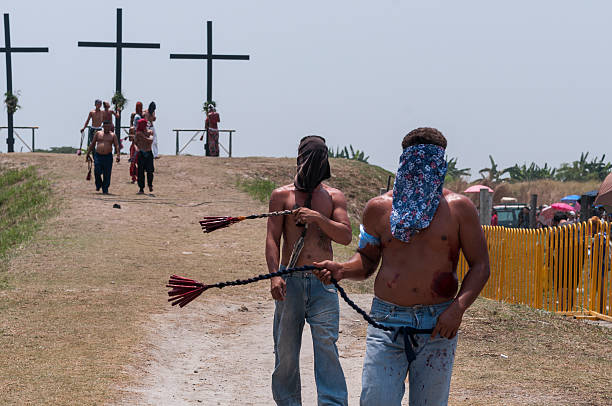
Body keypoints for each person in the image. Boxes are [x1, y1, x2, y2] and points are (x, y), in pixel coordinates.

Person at [314, 127, 490, 406]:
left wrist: (457, 310)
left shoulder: (459, 208)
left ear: (440, 164)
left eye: (429, 162)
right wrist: (342, 270)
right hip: (387, 321)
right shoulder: (379, 209)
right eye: (415, 161)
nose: (422, 169)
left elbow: (480, 266)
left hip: (438, 325)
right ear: (404, 162)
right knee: (375, 399)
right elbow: (367, 260)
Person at [266, 136, 351, 405]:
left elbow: (346, 236)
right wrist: (275, 276)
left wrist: (318, 218)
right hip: (290, 280)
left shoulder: (334, 197)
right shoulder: (282, 196)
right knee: (286, 352)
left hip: (323, 282)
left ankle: (332, 402)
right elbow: (272, 238)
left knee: (326, 347)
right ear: (299, 158)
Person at [85, 120, 120, 194]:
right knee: (97, 171)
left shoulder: (113, 135)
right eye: (105, 126)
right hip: (98, 155)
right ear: (103, 126)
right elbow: (93, 144)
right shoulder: (98, 133)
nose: (107, 128)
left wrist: (118, 155)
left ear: (110, 127)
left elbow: (116, 145)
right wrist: (88, 153)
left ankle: (105, 188)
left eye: (108, 126)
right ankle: (98, 184)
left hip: (108, 156)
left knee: (107, 173)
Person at [134, 118, 155, 194]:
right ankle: (141, 188)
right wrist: (137, 149)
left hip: (148, 152)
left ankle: (150, 185)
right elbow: (135, 143)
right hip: (141, 153)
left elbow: (150, 140)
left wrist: (143, 137)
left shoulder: (150, 132)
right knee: (140, 172)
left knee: (150, 171)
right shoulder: (137, 133)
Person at [128, 102, 144, 183]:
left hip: (139, 140)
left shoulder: (140, 115)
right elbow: (135, 128)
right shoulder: (137, 117)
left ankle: (136, 176)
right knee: (134, 159)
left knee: (137, 160)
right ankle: (134, 177)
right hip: (137, 140)